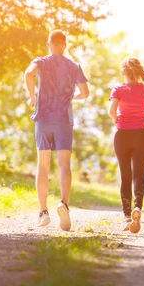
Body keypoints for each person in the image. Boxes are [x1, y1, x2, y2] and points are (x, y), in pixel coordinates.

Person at [24, 30, 90, 231]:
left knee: (43, 166)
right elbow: (85, 93)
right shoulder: (74, 66)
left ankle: (43, 212)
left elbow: (28, 73)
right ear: (65, 45)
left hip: (43, 119)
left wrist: (32, 96)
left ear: (49, 44)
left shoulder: (41, 61)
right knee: (64, 165)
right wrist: (71, 98)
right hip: (63, 121)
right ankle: (64, 203)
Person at [108, 57, 144, 233]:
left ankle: (127, 217)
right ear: (139, 72)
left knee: (125, 176)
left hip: (122, 135)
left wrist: (118, 119)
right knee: (139, 175)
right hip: (142, 136)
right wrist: (141, 112)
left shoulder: (118, 89)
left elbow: (111, 112)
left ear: (123, 72)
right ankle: (138, 207)